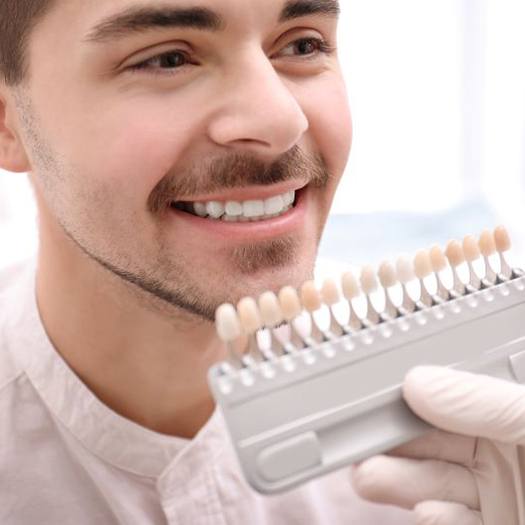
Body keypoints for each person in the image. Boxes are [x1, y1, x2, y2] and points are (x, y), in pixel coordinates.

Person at [0, 1, 522, 524]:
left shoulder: (480, 423)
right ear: (7, 122)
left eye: (302, 45)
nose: (280, 120)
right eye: (166, 60)